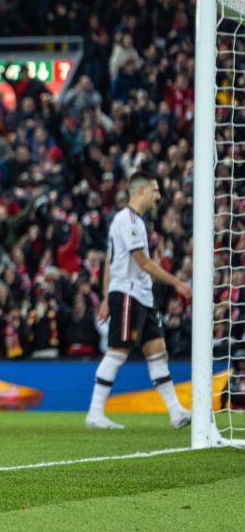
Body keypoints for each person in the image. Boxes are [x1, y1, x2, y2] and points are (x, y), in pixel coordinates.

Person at [86, 172, 192, 430]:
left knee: (157, 352)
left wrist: (105, 296)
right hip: (128, 294)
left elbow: (109, 261)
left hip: (141, 296)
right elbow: (143, 262)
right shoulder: (129, 220)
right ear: (141, 190)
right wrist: (177, 283)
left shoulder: (131, 221)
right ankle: (95, 414)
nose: (158, 196)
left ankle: (176, 413)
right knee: (117, 352)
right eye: (155, 190)